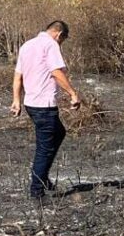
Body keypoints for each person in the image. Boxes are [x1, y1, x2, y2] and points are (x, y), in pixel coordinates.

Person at [10, 20, 81, 199]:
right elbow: (56, 72)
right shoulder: (51, 45)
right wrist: (72, 93)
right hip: (44, 106)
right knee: (44, 148)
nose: (61, 43)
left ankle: (42, 179)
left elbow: (18, 76)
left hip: (31, 104)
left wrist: (16, 101)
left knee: (59, 133)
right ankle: (37, 190)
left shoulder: (27, 45)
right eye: (62, 40)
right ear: (59, 35)